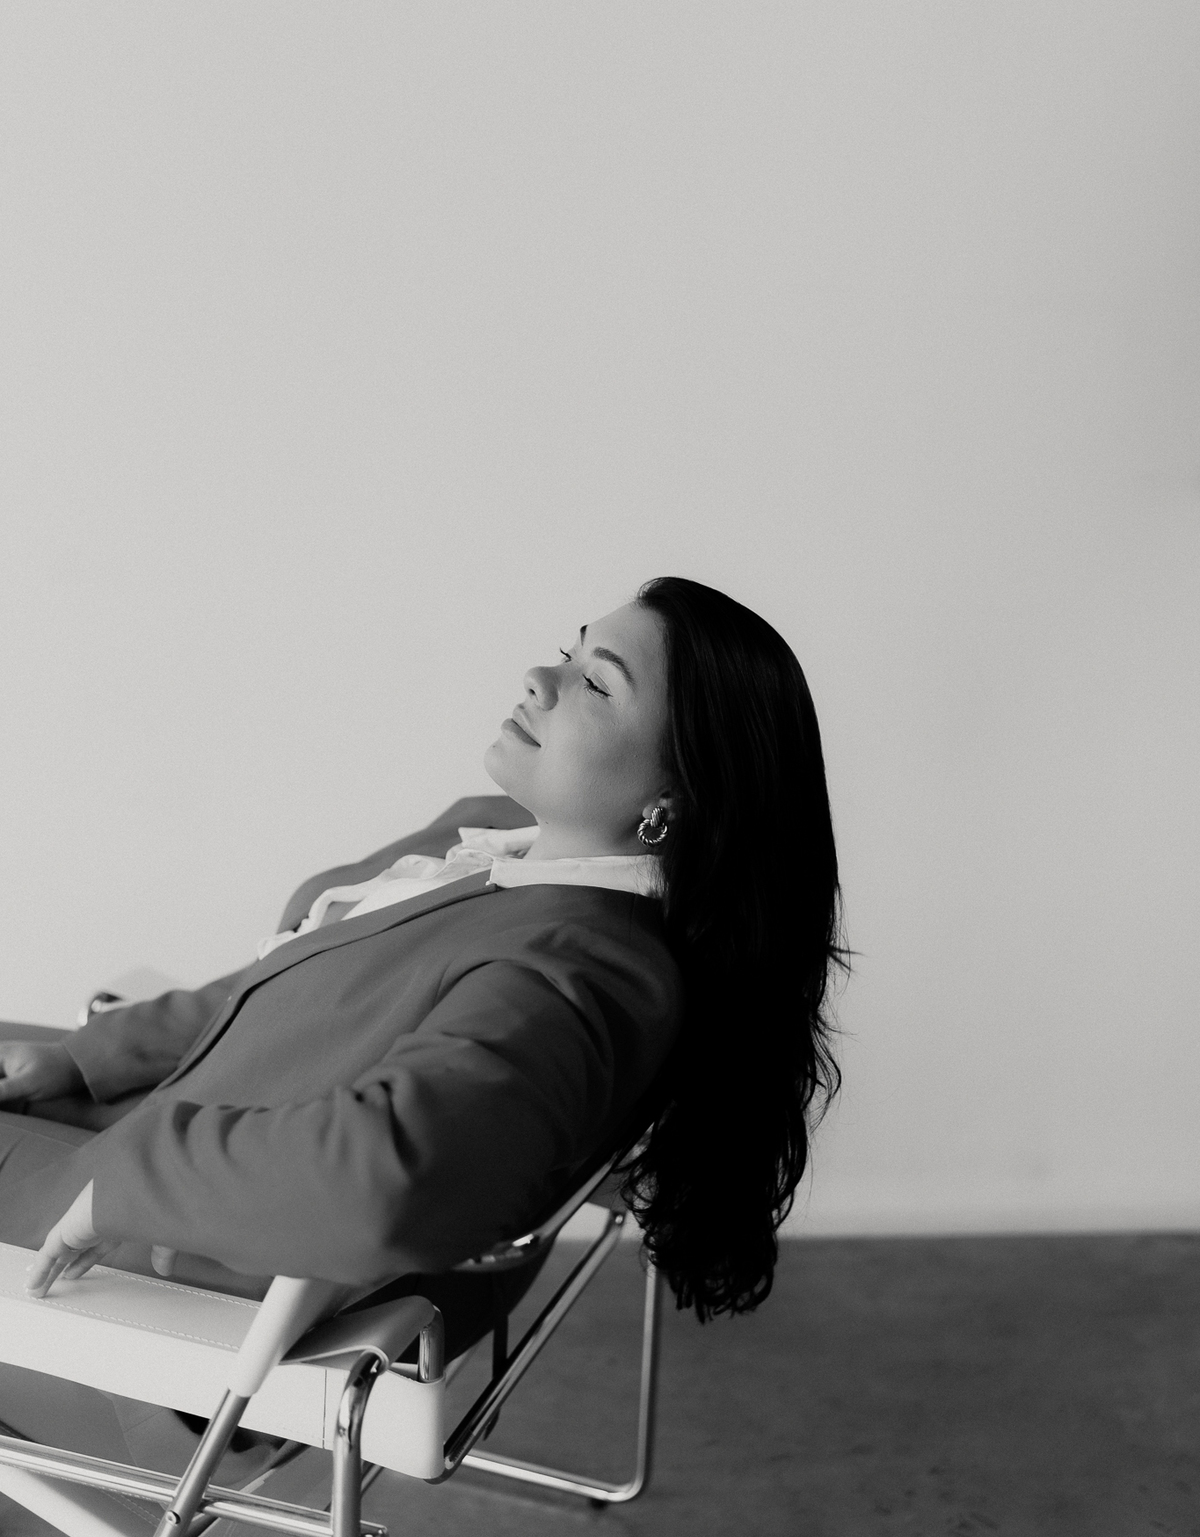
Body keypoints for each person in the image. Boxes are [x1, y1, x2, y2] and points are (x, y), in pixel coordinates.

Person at [0, 575, 845, 1364]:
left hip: (163, 1270)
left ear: (674, 798)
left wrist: (131, 1180)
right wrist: (86, 1058)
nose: (540, 677)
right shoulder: (500, 838)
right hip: (181, 1120)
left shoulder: (579, 972)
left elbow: (389, 1176)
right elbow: (298, 982)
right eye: (571, 650)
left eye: (596, 684)